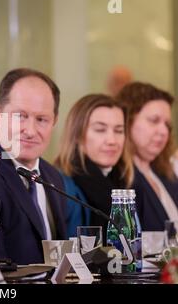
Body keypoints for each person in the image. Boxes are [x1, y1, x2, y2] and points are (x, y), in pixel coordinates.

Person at [0, 68, 67, 265]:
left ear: (54, 122)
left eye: (41, 119)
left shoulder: (53, 176)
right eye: (20, 116)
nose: (30, 131)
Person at [55, 94, 134, 238]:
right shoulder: (60, 185)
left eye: (118, 131)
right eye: (100, 130)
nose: (112, 140)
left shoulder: (121, 183)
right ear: (77, 135)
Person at [116, 82, 178, 230]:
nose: (163, 131)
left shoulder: (166, 173)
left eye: (167, 125)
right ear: (127, 121)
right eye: (154, 120)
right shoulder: (119, 177)